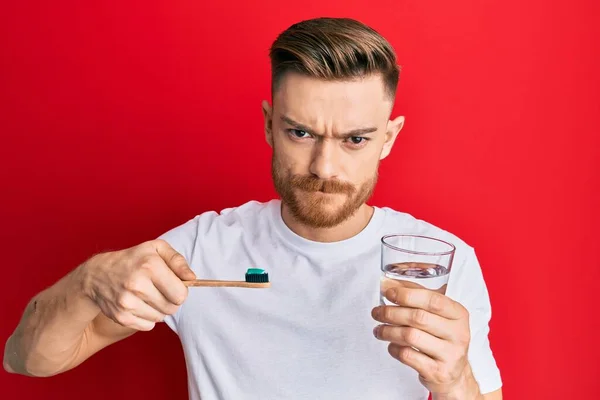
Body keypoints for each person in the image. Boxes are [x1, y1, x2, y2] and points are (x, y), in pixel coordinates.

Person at [3, 17, 502, 400]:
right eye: (300, 132)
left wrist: (456, 380)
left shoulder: (444, 262)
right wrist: (89, 281)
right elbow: (27, 359)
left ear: (388, 139)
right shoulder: (201, 248)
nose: (325, 167)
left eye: (355, 139)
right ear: (269, 126)